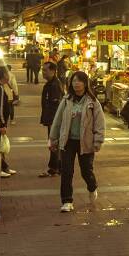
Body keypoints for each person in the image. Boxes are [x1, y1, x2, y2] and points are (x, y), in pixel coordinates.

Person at [48, 71, 106, 212]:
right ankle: (67, 201)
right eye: (73, 81)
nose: (76, 83)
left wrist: (98, 141)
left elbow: (100, 123)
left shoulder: (93, 102)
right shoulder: (67, 100)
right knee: (66, 171)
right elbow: (58, 120)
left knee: (86, 171)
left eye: (79, 81)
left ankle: (92, 187)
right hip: (68, 141)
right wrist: (53, 138)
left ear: (85, 83)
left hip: (85, 142)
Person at [39, 61, 65, 178]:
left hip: (54, 120)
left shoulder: (54, 85)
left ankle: (54, 168)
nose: (43, 72)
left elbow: (56, 106)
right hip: (52, 120)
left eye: (45, 70)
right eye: (42, 70)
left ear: (53, 71)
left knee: (53, 143)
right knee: (54, 143)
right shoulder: (51, 84)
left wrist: (53, 122)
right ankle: (58, 167)